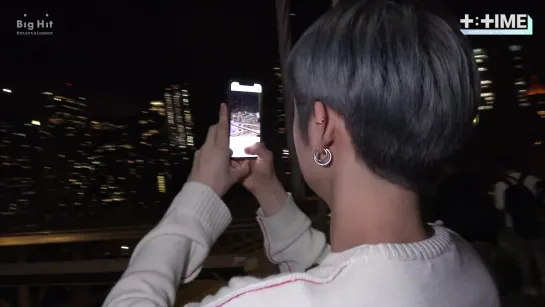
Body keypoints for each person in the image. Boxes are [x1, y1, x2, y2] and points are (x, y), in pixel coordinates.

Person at [103, 1, 499, 306]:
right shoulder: (465, 263)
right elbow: (346, 276)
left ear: (321, 125)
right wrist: (269, 191)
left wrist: (197, 195)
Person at [494, 156, 544, 296]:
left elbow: (499, 206)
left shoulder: (500, 185)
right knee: (540, 254)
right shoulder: (532, 179)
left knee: (522, 257)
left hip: (513, 225)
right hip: (535, 222)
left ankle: (529, 286)